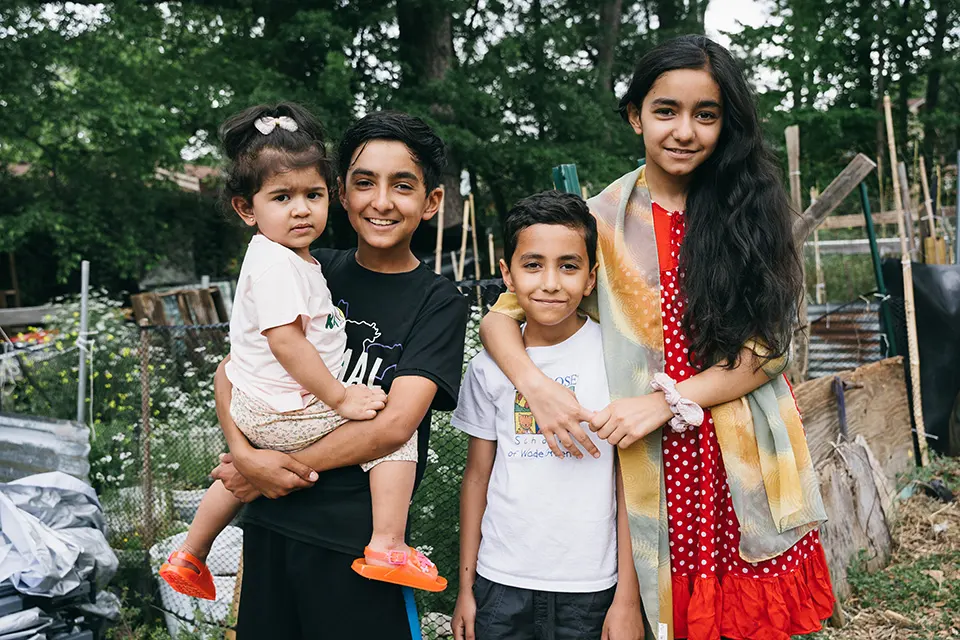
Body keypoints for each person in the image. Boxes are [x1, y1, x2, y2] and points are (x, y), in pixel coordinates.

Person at [478, 35, 835, 640]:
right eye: (666, 110)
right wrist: (533, 385)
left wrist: (661, 402)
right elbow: (498, 317)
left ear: (727, 123)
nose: (684, 131)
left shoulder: (750, 210)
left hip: (732, 454)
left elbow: (767, 351)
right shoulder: (598, 221)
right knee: (656, 616)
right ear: (634, 114)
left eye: (706, 114)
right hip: (646, 465)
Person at [210, 110, 469, 639]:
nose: (381, 201)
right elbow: (231, 371)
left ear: (431, 202)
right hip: (271, 526)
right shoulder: (303, 265)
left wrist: (271, 471)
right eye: (364, 183)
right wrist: (243, 455)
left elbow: (394, 427)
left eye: (402, 185)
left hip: (358, 545)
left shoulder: (438, 301)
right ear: (342, 194)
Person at [160, 101, 410, 601]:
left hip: (257, 406)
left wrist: (245, 446)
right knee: (395, 438)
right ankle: (388, 544)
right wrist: (340, 398)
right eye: (282, 197)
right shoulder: (278, 265)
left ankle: (190, 552)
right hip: (290, 409)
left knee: (239, 472)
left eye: (313, 194)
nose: (301, 208)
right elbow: (286, 343)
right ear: (246, 208)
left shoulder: (286, 258)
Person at [450, 191, 645, 640]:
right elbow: (477, 477)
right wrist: (467, 589)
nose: (551, 282)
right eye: (533, 265)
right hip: (500, 582)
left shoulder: (615, 360)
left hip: (593, 587)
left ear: (592, 278)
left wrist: (627, 599)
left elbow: (631, 483)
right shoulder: (489, 367)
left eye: (569, 266)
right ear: (508, 275)